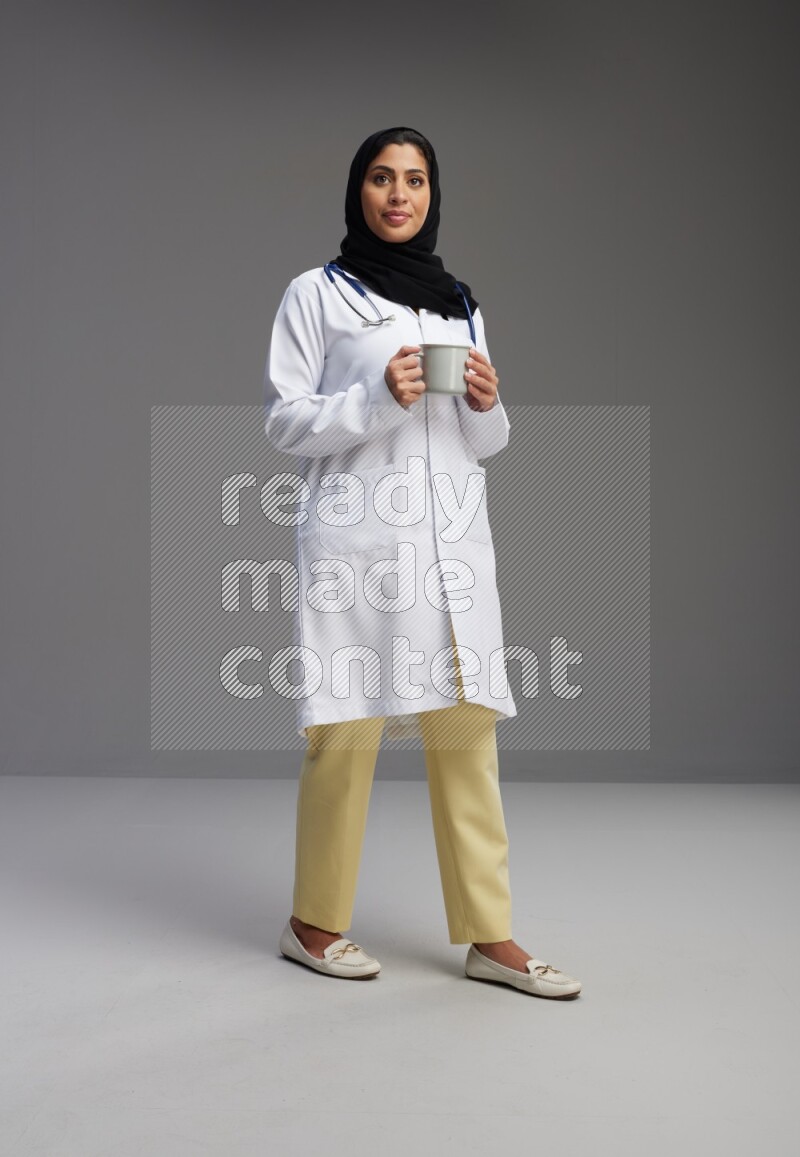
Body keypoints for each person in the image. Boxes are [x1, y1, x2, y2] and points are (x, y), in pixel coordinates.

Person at [262, 126, 581, 999]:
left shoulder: (459, 304)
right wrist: (377, 395)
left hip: (452, 546)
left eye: (414, 180)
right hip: (361, 546)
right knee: (345, 733)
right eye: (380, 178)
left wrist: (490, 401)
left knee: (466, 734)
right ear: (357, 191)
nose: (398, 195)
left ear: (433, 194)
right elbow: (283, 420)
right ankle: (313, 922)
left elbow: (483, 443)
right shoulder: (317, 296)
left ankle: (490, 935)